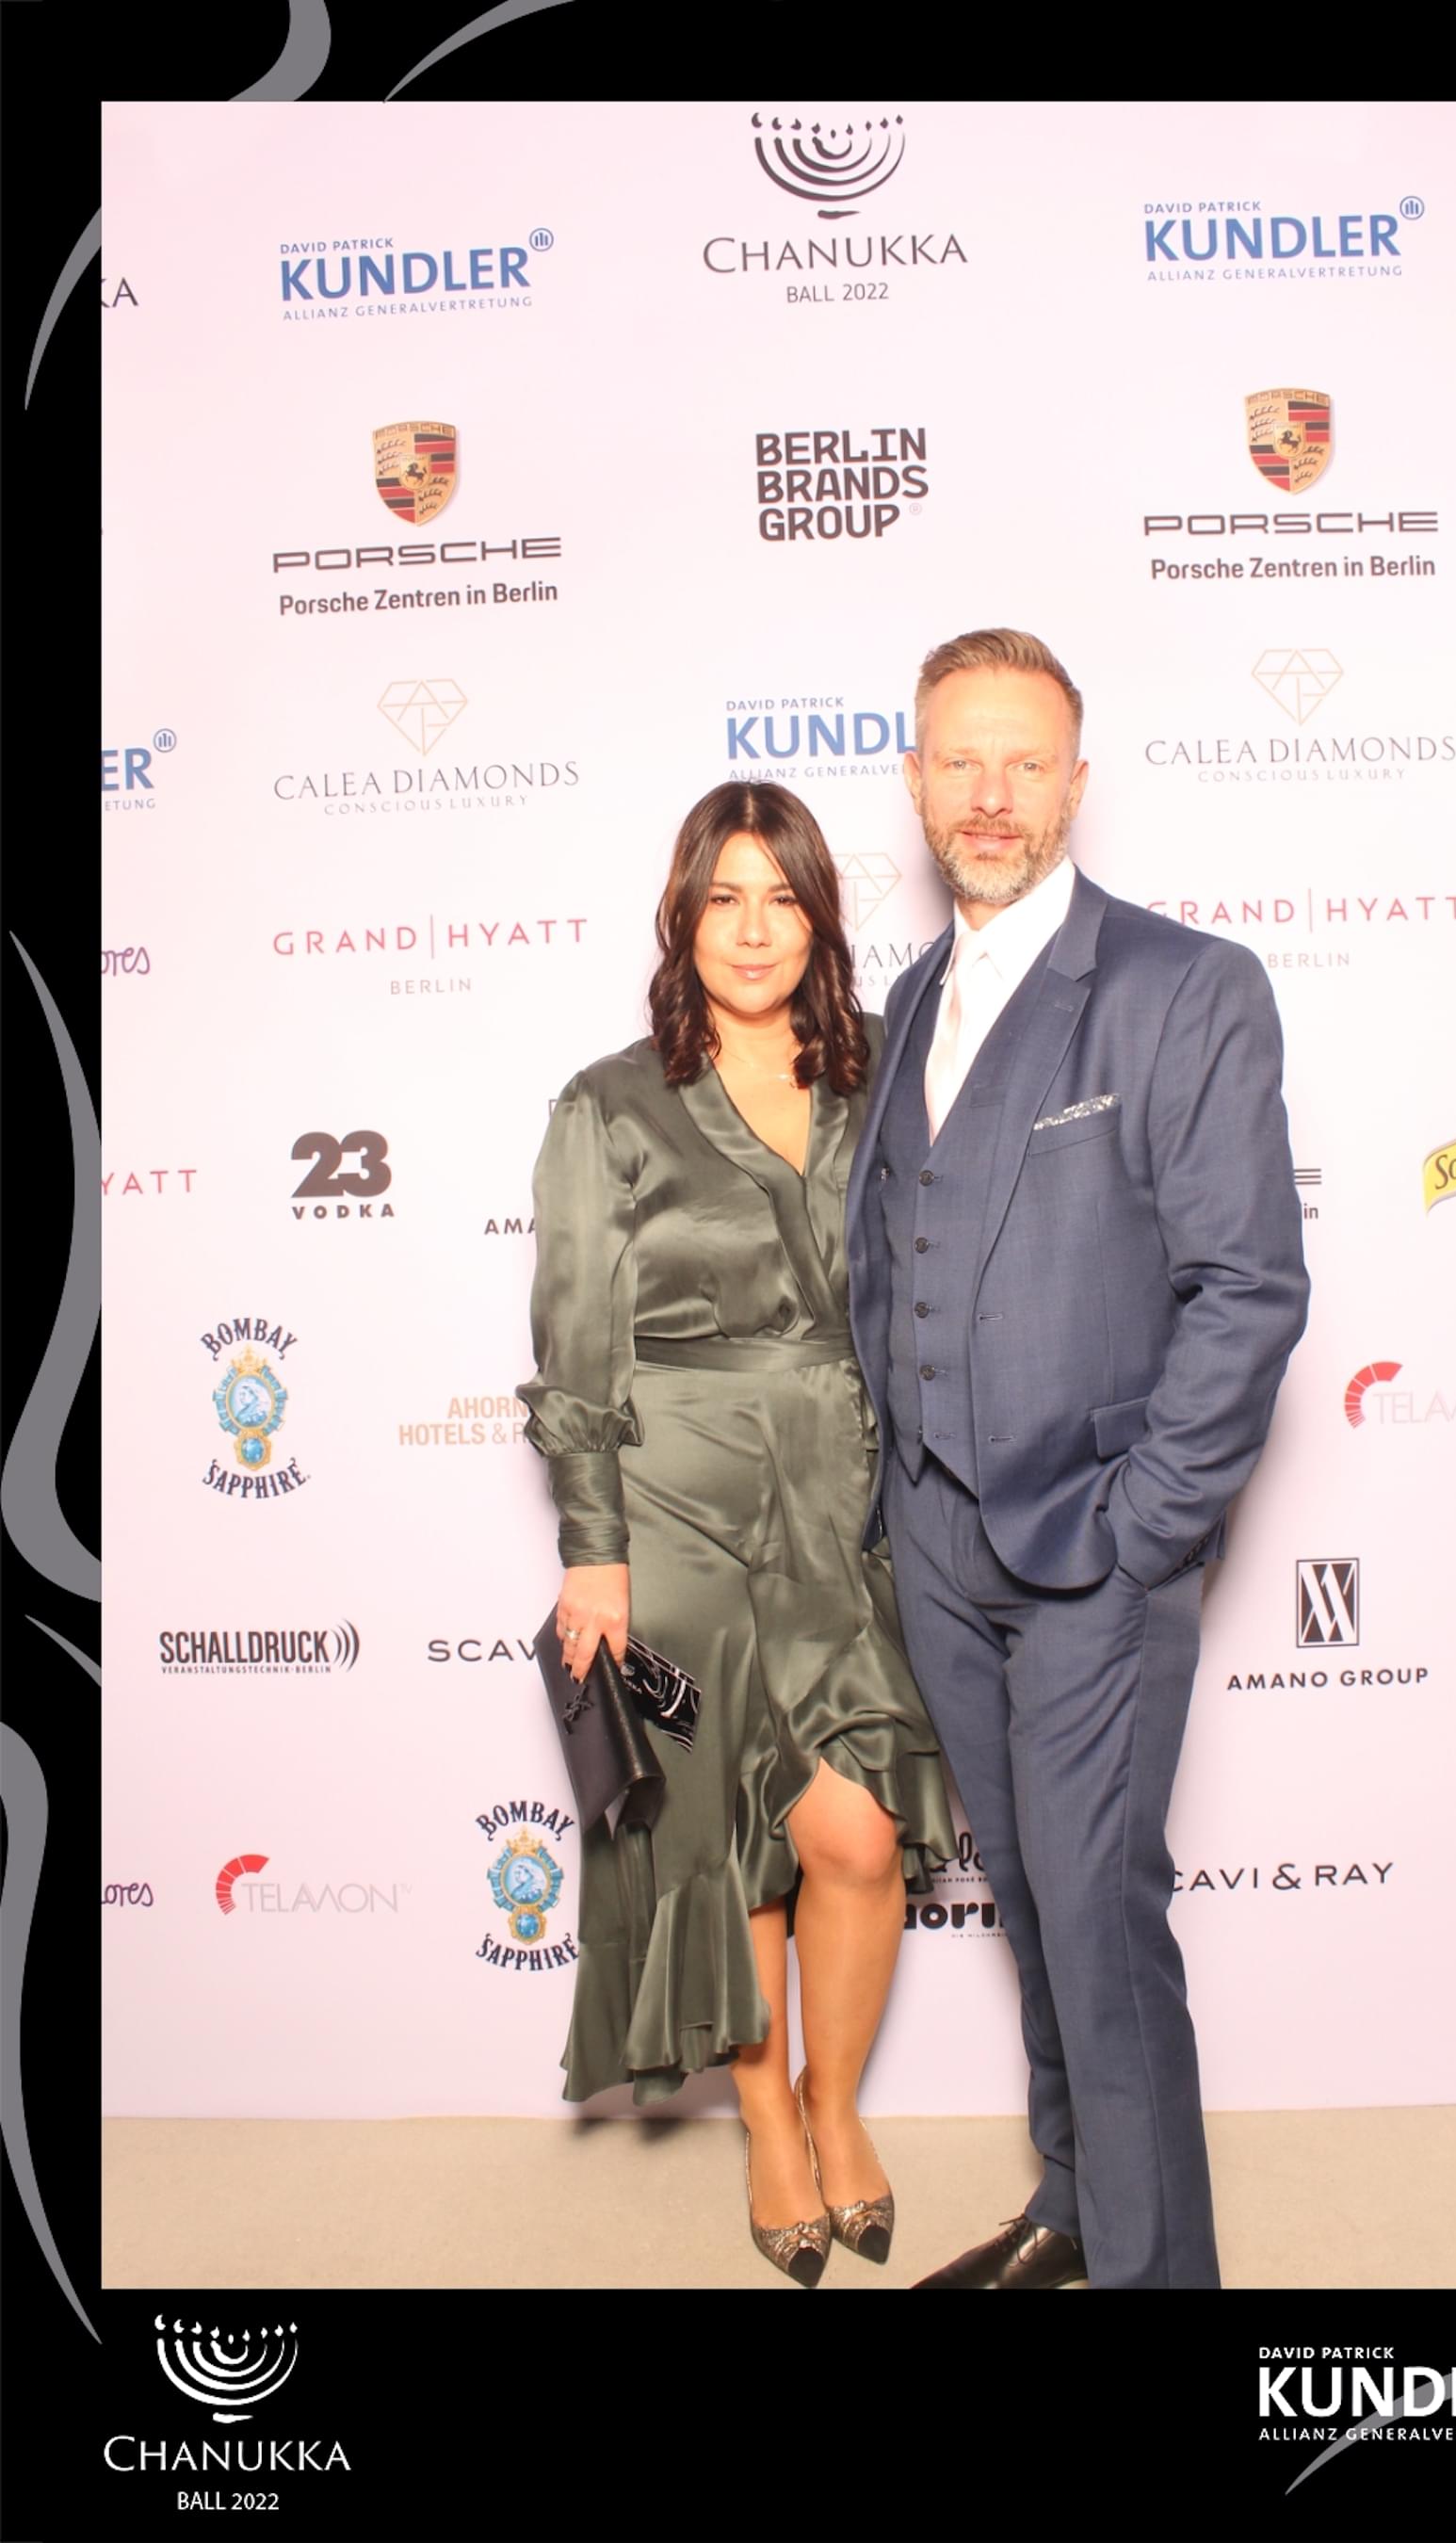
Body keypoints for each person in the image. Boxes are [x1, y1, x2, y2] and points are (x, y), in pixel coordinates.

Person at [844, 629, 1310, 2290]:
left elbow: (1249, 1287)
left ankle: (1157, 2270)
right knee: (1036, 1901)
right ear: (915, 782)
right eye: (961, 762)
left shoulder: (1186, 987)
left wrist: (1144, 1528)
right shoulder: (911, 997)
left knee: (1101, 1919)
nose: (992, 795)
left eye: (1025, 763)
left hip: (1092, 1553)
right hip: (937, 1547)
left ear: (1076, 783)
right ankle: (1071, 2207)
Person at [518, 780, 954, 2287]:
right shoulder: (609, 1105)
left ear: (821, 918)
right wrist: (594, 1551)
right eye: (725, 899)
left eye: (783, 898)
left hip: (849, 1501)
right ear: (683, 916)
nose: (754, 930)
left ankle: (837, 2102)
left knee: (857, 1833)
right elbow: (576, 1344)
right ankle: (769, 2121)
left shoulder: (890, 1074)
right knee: (723, 1839)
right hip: (677, 1511)